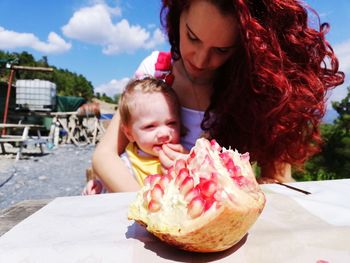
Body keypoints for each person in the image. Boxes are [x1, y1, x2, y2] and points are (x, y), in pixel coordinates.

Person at [90, 0, 344, 192]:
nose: (200, 60)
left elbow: (276, 179)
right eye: (192, 37)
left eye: (222, 49)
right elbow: (105, 155)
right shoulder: (156, 71)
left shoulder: (259, 92)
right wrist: (152, 208)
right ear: (178, 12)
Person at [83, 77, 181, 194]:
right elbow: (111, 186)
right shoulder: (127, 164)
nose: (164, 133)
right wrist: (98, 187)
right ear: (129, 134)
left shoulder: (182, 156)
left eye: (171, 123)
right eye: (150, 126)